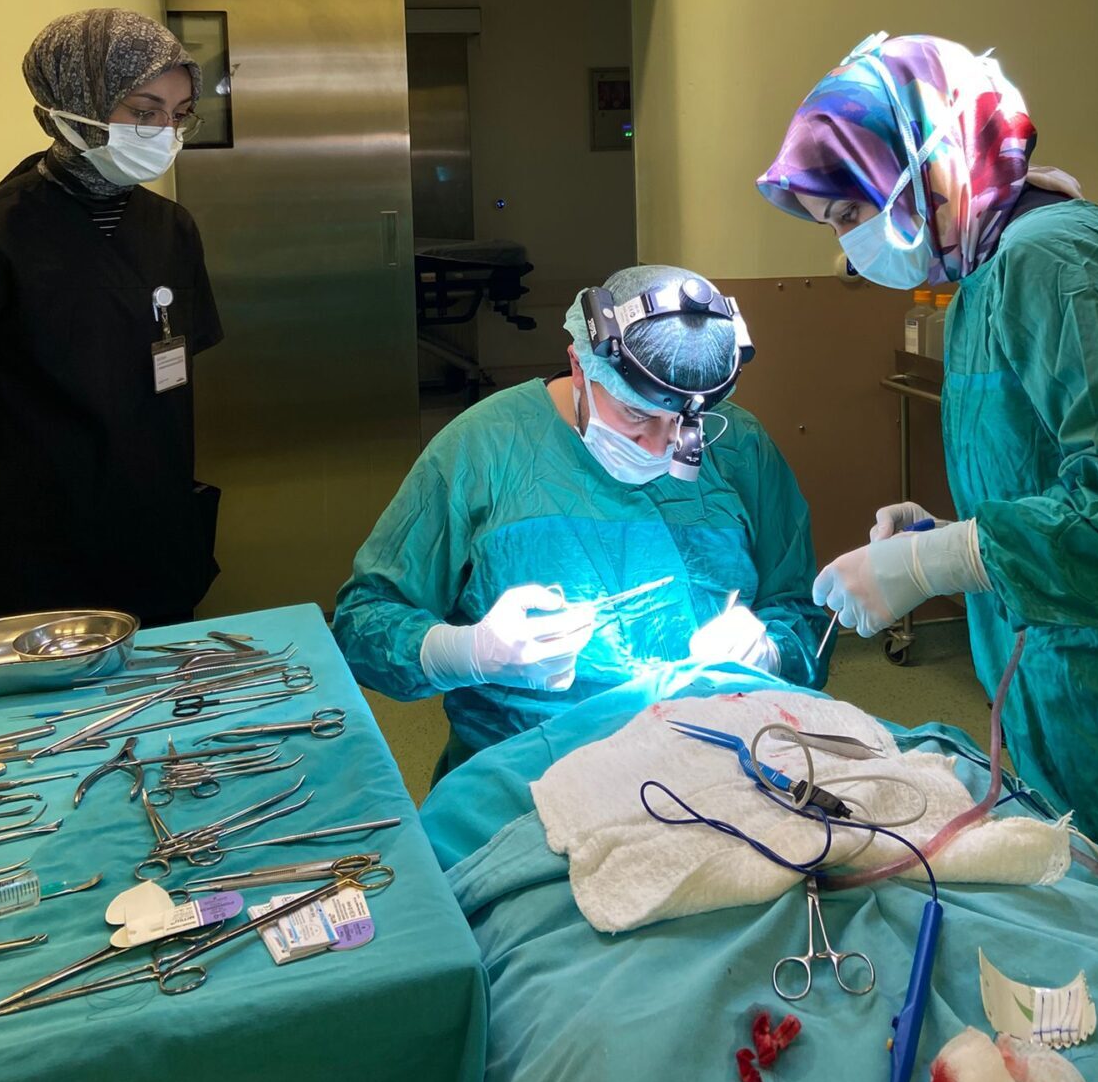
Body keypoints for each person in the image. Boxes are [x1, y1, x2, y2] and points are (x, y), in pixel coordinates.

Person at [757, 31, 1098, 901]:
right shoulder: (987, 276)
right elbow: (1057, 476)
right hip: (1069, 690)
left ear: (933, 163)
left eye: (851, 213)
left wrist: (933, 562)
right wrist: (946, 533)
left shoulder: (1056, 260)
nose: (848, 250)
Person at [333, 264, 828, 768]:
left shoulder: (740, 446)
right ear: (579, 365)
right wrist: (466, 651)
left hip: (716, 760)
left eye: (685, 421)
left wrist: (770, 650)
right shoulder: (481, 448)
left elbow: (802, 612)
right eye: (637, 415)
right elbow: (364, 622)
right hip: (524, 775)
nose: (662, 447)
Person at [0, 7, 223, 627]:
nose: (165, 133)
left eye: (179, 114)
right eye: (144, 111)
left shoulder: (171, 230)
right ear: (73, 106)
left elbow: (174, 391)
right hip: (29, 553)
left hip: (152, 537)